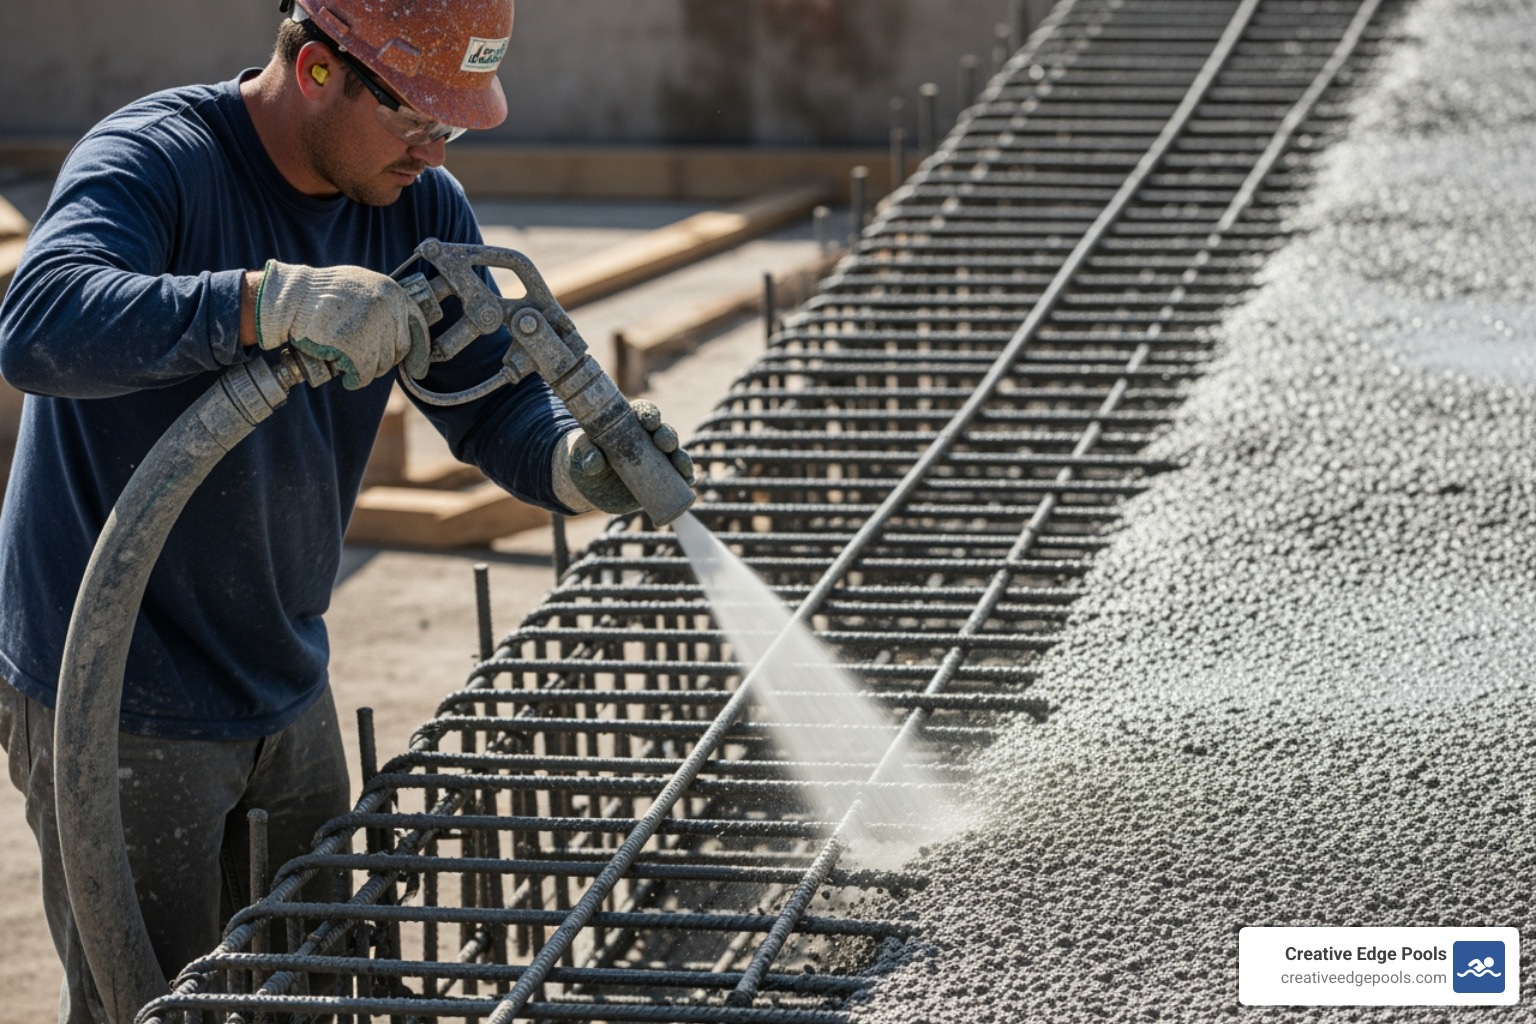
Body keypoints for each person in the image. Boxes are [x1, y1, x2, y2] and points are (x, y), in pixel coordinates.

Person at [0, 1, 690, 1020]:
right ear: (319, 69)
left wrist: (573, 462)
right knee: (149, 999)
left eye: (451, 127)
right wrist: (261, 304)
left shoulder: (420, 207)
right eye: (416, 119)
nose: (432, 150)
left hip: (281, 663)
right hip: (114, 681)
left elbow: (493, 394)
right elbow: (41, 319)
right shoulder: (159, 158)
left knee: (311, 981)